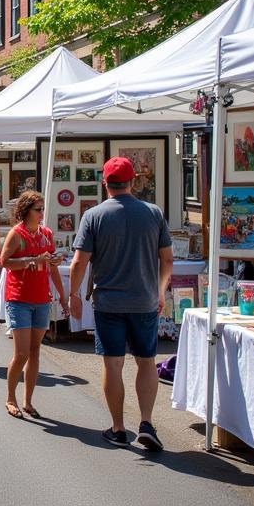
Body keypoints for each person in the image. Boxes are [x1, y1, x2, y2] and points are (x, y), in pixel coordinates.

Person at [68, 157, 173, 449]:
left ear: (105, 183)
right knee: (146, 361)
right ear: (133, 180)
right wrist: (161, 291)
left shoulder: (94, 215)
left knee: (113, 365)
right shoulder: (154, 213)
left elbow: (79, 262)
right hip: (144, 301)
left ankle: (118, 428)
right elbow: (167, 260)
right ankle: (147, 422)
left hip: (109, 302)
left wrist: (73, 294)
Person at [0, 191, 68, 418]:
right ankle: (10, 397)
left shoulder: (46, 233)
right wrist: (32, 260)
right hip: (19, 298)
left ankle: (28, 400)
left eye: (42, 209)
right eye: (38, 209)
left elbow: (51, 267)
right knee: (21, 353)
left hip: (41, 299)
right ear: (26, 210)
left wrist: (62, 294)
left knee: (35, 351)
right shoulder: (16, 234)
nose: (41, 213)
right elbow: (4, 262)